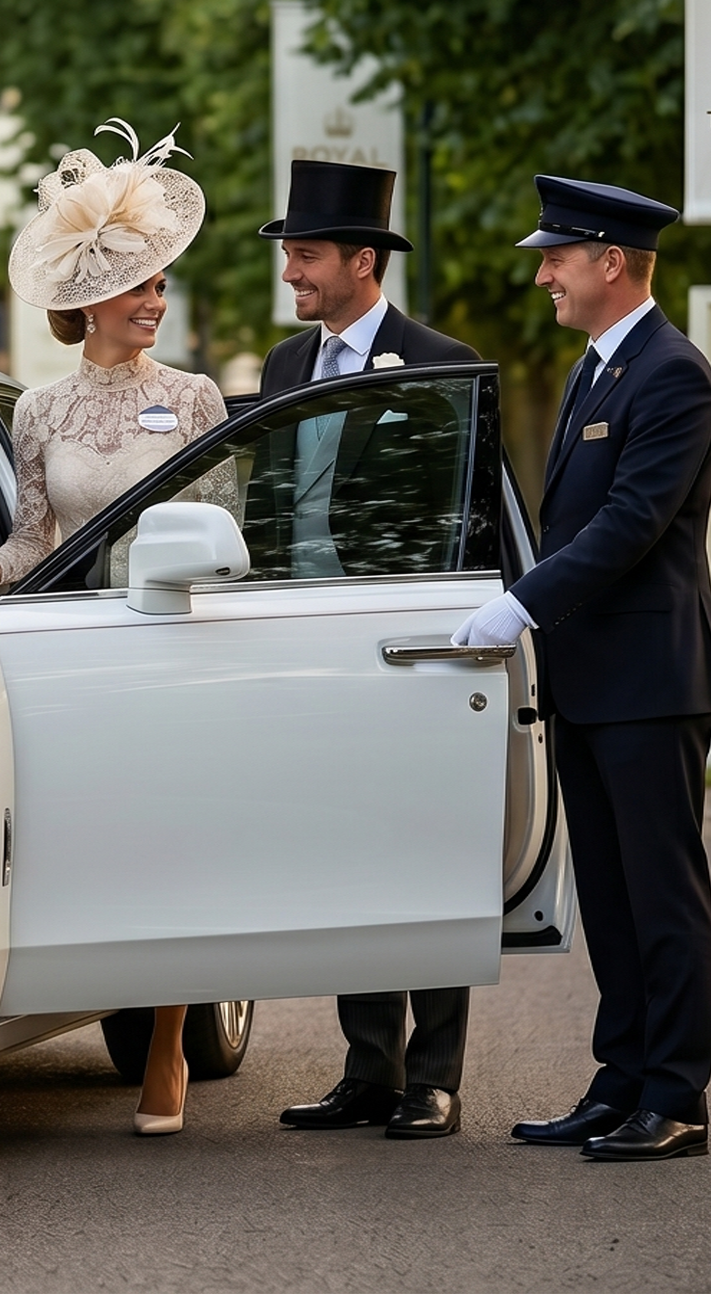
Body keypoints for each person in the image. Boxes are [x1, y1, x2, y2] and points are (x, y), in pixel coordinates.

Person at [0, 119, 232, 1139]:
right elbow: (32, 539)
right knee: (92, 841)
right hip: (76, 656)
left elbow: (225, 534)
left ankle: (166, 1038)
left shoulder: (195, 398)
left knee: (171, 843)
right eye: (137, 287)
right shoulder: (36, 411)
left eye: (160, 284)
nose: (155, 300)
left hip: (176, 646)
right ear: (88, 302)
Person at [452, 175, 711, 1163]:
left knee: (661, 896)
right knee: (608, 898)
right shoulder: (596, 370)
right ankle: (622, 1080)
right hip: (593, 679)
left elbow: (628, 525)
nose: (542, 277)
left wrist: (519, 605)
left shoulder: (672, 374)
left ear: (612, 262)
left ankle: (675, 1097)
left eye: (556, 259)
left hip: (650, 681)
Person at [257, 159, 484, 1142]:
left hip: (406, 652)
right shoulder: (282, 366)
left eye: (305, 255)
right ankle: (367, 1069)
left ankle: (432, 1078)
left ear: (362, 260)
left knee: (424, 850)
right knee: (345, 852)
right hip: (306, 653)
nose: (290, 273)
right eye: (288, 256)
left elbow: (465, 518)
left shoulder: (439, 362)